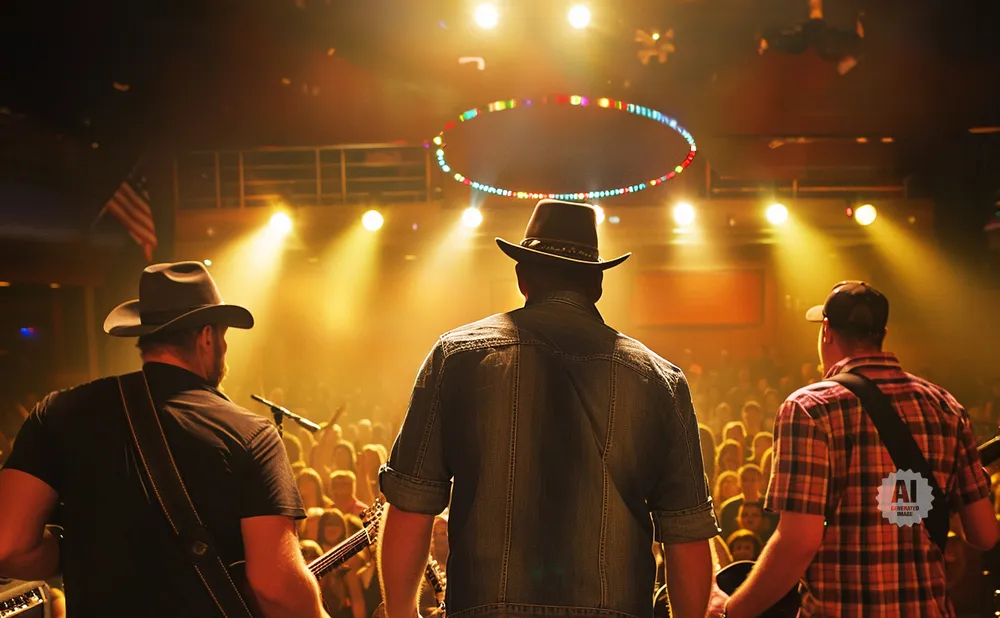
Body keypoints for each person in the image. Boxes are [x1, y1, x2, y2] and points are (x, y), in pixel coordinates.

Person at [377, 200, 719, 618]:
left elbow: (411, 503)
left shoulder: (457, 356)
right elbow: (687, 534)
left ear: (523, 277)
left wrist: (400, 611)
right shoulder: (660, 380)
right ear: (597, 285)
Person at [0, 261, 328, 618]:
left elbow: (9, 545)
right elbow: (276, 587)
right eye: (223, 337)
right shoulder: (250, 435)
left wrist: (79, 549)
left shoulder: (58, 413)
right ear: (207, 337)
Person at [709, 281, 998, 617]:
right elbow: (984, 535)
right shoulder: (946, 407)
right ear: (882, 334)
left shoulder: (809, 408)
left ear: (827, 332)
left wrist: (732, 611)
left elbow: (798, 542)